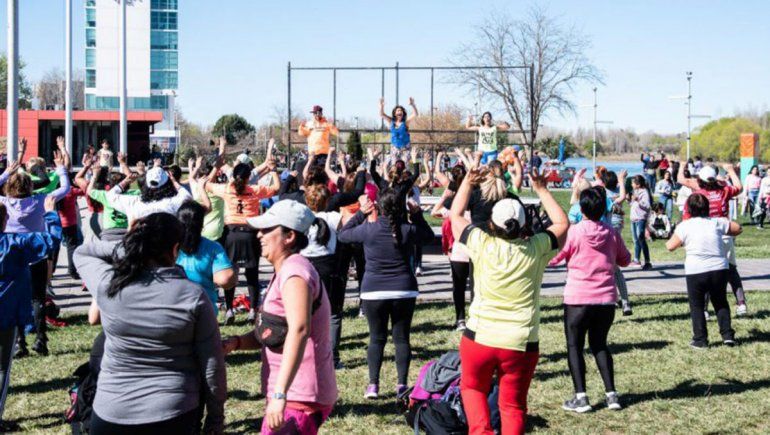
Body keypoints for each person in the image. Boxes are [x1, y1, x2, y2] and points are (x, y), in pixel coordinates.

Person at [73, 213, 227, 434]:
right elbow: (212, 364)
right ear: (175, 249)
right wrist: (215, 418)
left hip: (111, 410)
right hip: (174, 410)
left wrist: (129, 247)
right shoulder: (192, 295)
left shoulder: (110, 285)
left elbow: (83, 252)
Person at [449, 167, 568, 434]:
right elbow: (562, 224)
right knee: (512, 406)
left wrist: (466, 183)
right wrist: (541, 189)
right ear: (525, 224)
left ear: (491, 223)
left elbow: (455, 215)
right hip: (521, 341)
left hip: (479, 336)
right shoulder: (536, 248)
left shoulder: (480, 243)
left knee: (473, 389)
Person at [222, 200, 338, 435]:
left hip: (299, 396)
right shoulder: (286, 270)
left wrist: (279, 393)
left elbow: (299, 330)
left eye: (267, 229)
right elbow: (275, 332)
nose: (259, 235)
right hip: (292, 394)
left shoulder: (295, 273)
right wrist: (236, 343)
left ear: (289, 237)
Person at [338, 189, 434, 399]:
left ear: (378, 207)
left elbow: (343, 235)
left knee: (376, 338)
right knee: (402, 339)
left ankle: (373, 385)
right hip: (404, 290)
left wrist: (361, 213)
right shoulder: (407, 229)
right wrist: (417, 214)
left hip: (373, 291)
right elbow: (428, 236)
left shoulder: (369, 230)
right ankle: (402, 384)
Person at [548, 187, 631, 413]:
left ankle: (581, 397)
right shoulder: (612, 232)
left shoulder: (574, 232)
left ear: (581, 208)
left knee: (574, 346)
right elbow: (625, 260)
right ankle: (612, 395)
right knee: (600, 345)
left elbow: (556, 259)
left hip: (578, 298)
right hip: (606, 299)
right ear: (603, 208)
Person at [0, 139, 70, 356]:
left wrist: (6, 173)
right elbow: (65, 188)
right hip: (36, 253)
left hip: (13, 255)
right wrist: (61, 169)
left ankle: (19, 342)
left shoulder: (5, 202)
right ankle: (41, 340)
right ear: (30, 186)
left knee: (17, 298)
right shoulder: (41, 200)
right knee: (38, 298)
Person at [0, 199, 61, 432]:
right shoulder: (15, 243)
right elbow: (51, 240)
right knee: (2, 368)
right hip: (5, 314)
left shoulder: (15, 243)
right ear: (5, 220)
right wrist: (51, 214)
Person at [206, 158, 280, 322]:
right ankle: (253, 310)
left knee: (230, 272)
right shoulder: (254, 189)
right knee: (252, 273)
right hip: (250, 233)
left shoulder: (226, 189)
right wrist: (274, 171)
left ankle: (229, 310)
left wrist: (216, 168)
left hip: (231, 233)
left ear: (233, 176)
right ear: (248, 178)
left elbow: (207, 185)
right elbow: (276, 188)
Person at [666, 194, 742, 349]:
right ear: (708, 207)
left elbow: (670, 246)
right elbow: (738, 228)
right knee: (720, 302)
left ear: (688, 209)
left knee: (697, 305)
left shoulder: (685, 226)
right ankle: (727, 336)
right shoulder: (717, 222)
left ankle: (700, 339)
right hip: (719, 268)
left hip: (696, 270)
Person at [678, 164, 747, 316]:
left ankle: (704, 309)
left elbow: (686, 219)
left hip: (704, 236)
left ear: (700, 180)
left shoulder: (698, 196)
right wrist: (730, 170)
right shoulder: (723, 191)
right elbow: (739, 187)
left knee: (706, 271)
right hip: (725, 235)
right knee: (731, 270)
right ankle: (741, 303)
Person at [300, 183, 346, 369]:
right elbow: (348, 226)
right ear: (327, 201)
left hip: (304, 265)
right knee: (333, 313)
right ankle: (333, 358)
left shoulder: (300, 217)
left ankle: (304, 353)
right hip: (328, 266)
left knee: (305, 311)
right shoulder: (333, 217)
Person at [175, 201, 237, 316]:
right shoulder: (213, 247)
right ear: (201, 224)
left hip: (174, 312)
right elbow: (225, 279)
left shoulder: (169, 246)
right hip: (204, 312)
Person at [629, 175, 652, 270]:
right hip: (633, 218)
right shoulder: (635, 191)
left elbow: (647, 206)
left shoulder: (644, 192)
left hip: (640, 219)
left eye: (633, 183)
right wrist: (629, 200)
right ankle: (636, 259)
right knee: (635, 240)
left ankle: (647, 262)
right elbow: (632, 204)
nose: (631, 184)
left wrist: (638, 199)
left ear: (638, 184)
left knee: (641, 239)